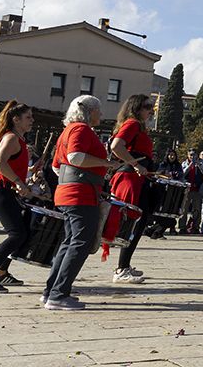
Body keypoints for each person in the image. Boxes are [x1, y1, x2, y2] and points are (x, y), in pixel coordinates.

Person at [45, 95, 113, 310]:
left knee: (70, 242)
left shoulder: (67, 131)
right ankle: (58, 294)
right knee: (80, 242)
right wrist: (105, 163)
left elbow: (57, 167)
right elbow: (75, 157)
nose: (100, 115)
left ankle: (51, 291)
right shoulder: (81, 130)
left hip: (68, 191)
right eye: (98, 111)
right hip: (80, 194)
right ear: (88, 111)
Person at [0, 101, 38, 292]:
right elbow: (0, 164)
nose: (32, 120)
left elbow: (10, 165)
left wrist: (27, 172)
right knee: (17, 234)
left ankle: (2, 273)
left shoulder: (18, 139)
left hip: (5, 190)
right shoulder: (11, 138)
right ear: (16, 119)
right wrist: (19, 182)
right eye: (28, 117)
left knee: (23, 234)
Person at [107, 94, 155, 284]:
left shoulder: (136, 125)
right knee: (133, 223)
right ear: (136, 108)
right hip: (131, 179)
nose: (150, 110)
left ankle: (124, 266)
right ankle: (121, 269)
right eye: (147, 107)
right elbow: (116, 146)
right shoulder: (133, 124)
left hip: (135, 178)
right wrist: (136, 164)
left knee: (136, 223)